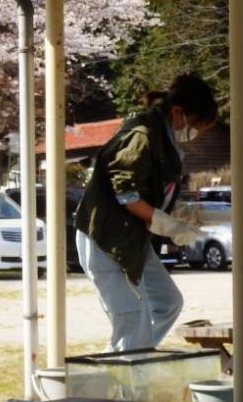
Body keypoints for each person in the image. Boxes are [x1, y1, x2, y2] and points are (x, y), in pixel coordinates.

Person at [74, 74, 218, 351]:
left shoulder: (163, 137)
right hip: (106, 240)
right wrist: (167, 225)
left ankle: (136, 358)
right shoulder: (142, 135)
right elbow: (126, 195)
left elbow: (152, 191)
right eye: (194, 126)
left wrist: (179, 212)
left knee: (167, 304)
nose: (194, 134)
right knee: (131, 321)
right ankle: (125, 368)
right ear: (178, 111)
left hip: (132, 240)